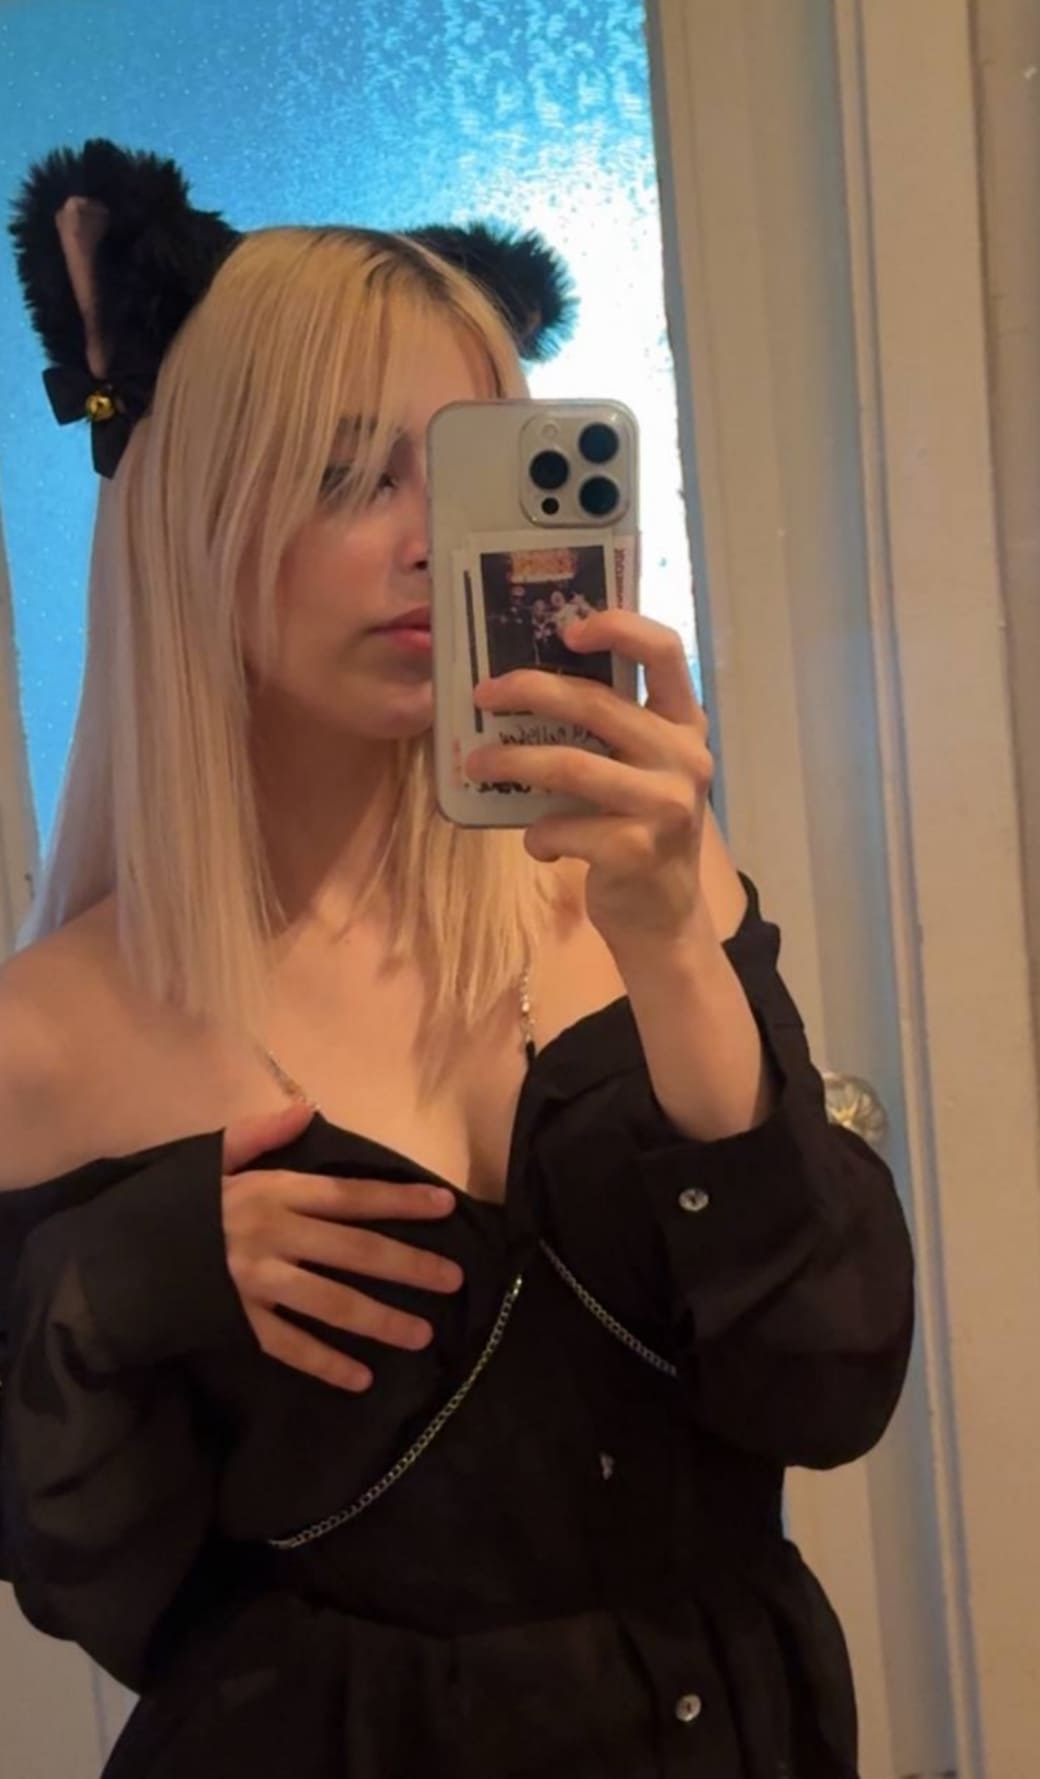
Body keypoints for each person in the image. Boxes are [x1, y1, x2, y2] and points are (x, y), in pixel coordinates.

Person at [0, 140, 913, 1779]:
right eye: (350, 477)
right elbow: (96, 1587)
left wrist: (674, 950)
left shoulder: (642, 885)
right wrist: (134, 1276)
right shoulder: (53, 1035)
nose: (434, 543)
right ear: (194, 518)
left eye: (471, 473)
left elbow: (828, 1389)